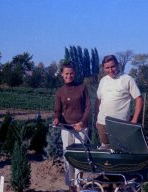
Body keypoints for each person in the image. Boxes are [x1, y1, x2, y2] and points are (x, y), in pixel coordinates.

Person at [53, 61, 91, 192]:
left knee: (79, 157)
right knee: (68, 156)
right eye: (66, 73)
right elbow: (57, 110)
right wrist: (57, 119)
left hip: (80, 127)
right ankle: (70, 185)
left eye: (71, 73)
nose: (69, 76)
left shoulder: (82, 87)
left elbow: (88, 107)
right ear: (62, 75)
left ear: (74, 73)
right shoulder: (60, 91)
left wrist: (82, 122)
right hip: (67, 128)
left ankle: (79, 185)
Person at [96, 55, 143, 149]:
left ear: (117, 65)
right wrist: (97, 119)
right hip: (102, 123)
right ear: (103, 68)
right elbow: (99, 100)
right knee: (105, 150)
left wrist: (134, 120)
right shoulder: (102, 81)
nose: (110, 70)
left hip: (120, 124)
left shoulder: (127, 79)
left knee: (121, 150)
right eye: (107, 68)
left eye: (112, 66)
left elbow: (139, 99)